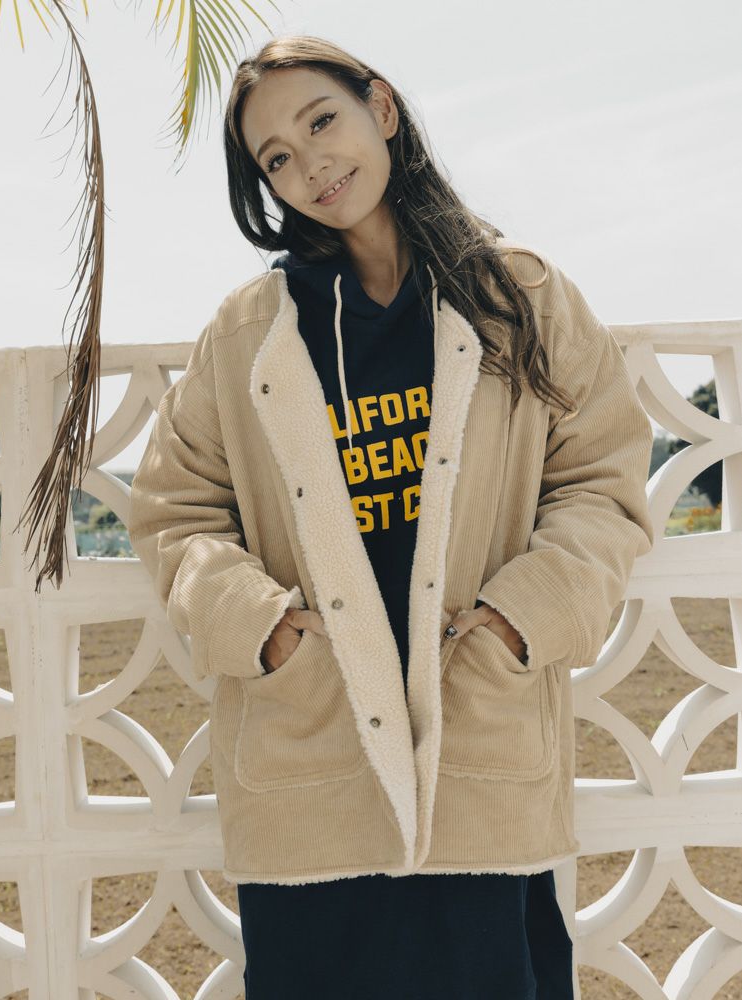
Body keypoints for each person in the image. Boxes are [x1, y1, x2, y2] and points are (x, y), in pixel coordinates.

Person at [128, 34, 655, 999]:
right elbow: (174, 508)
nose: (310, 164)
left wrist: (519, 619)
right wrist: (262, 629)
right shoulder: (246, 333)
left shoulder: (520, 297)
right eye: (276, 158)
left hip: (479, 734)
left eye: (321, 121)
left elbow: (603, 479)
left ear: (381, 108)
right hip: (310, 750)